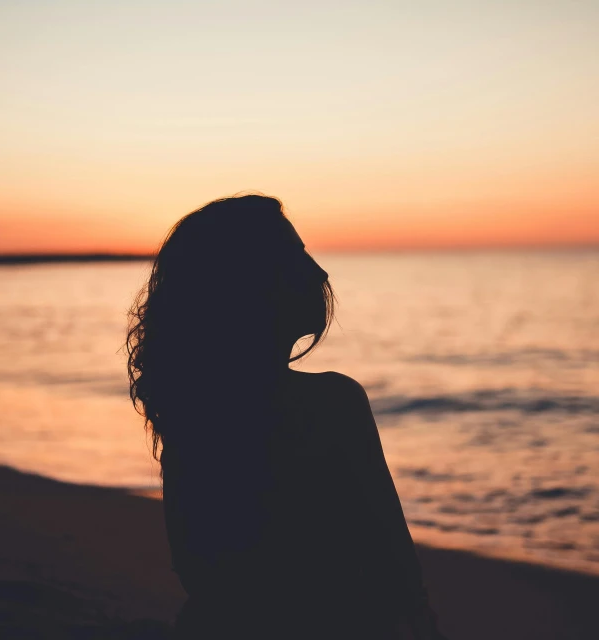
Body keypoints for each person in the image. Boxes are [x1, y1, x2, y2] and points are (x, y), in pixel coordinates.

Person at [127, 194, 446, 639]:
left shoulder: (196, 414)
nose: (320, 272)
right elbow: (394, 565)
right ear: (251, 282)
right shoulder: (333, 403)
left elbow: (198, 571)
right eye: (297, 256)